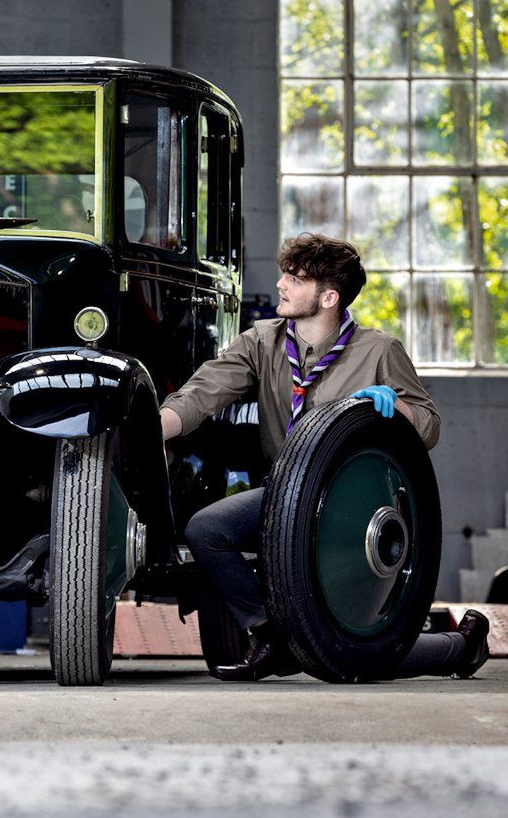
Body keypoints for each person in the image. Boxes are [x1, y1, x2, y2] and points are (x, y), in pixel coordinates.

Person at [161, 233, 490, 682]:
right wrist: (156, 426)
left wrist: (400, 409)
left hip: (351, 508)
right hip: (284, 495)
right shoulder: (262, 341)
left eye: (295, 279)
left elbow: (429, 426)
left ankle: (461, 646)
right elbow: (202, 394)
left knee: (343, 655)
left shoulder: (379, 350)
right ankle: (272, 636)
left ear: (329, 296)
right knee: (207, 529)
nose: (280, 284)